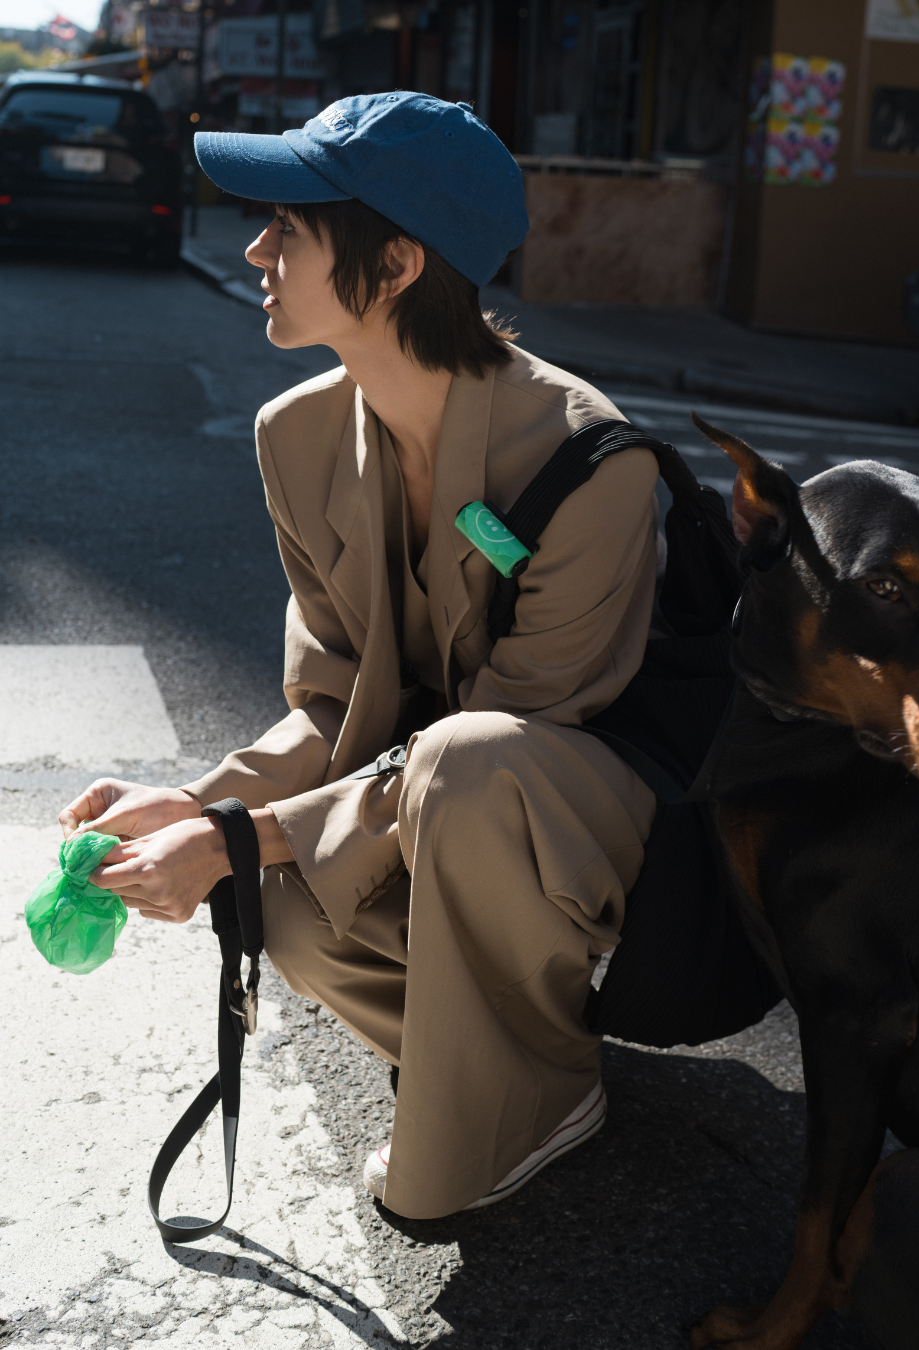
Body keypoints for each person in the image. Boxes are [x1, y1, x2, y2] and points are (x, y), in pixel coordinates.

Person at [59, 93, 659, 1220]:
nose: (256, 248)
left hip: (570, 819)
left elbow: (517, 743)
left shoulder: (589, 460)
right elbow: (330, 701)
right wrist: (192, 804)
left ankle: (532, 1079)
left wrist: (232, 837)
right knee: (278, 906)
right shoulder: (293, 436)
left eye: (289, 226)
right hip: (431, 797)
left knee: (467, 764)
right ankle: (518, 1072)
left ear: (393, 264)